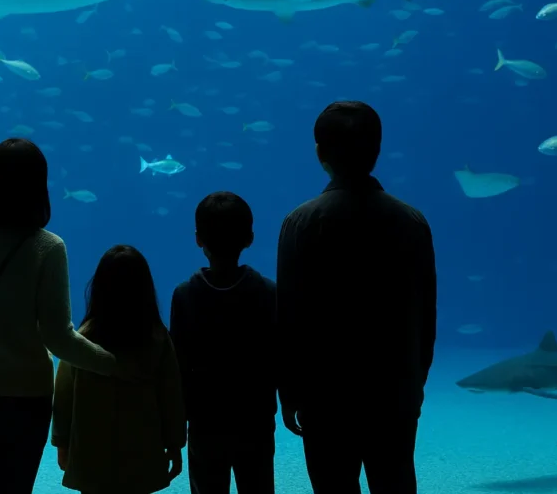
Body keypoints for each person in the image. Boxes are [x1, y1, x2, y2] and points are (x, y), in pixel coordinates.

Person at [0, 138, 118, 494]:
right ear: (38, 188)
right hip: (24, 400)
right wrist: (112, 363)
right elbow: (58, 337)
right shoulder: (48, 247)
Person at [276, 101, 437, 494]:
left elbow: (290, 317)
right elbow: (426, 314)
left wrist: (289, 391)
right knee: (396, 482)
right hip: (394, 391)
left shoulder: (299, 223)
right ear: (377, 150)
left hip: (325, 395)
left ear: (320, 153)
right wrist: (416, 381)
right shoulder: (412, 222)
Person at [52, 245, 186, 494]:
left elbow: (63, 396)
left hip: (93, 455)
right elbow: (171, 394)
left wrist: (62, 443)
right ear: (145, 288)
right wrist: (175, 444)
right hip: (141, 454)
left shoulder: (83, 338)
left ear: (99, 287)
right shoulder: (157, 338)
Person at [169, 192, 278, 494]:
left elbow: (178, 364)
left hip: (205, 420)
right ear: (250, 237)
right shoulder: (268, 293)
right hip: (254, 418)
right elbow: (279, 357)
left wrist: (174, 423)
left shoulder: (185, 295)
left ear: (198, 239)